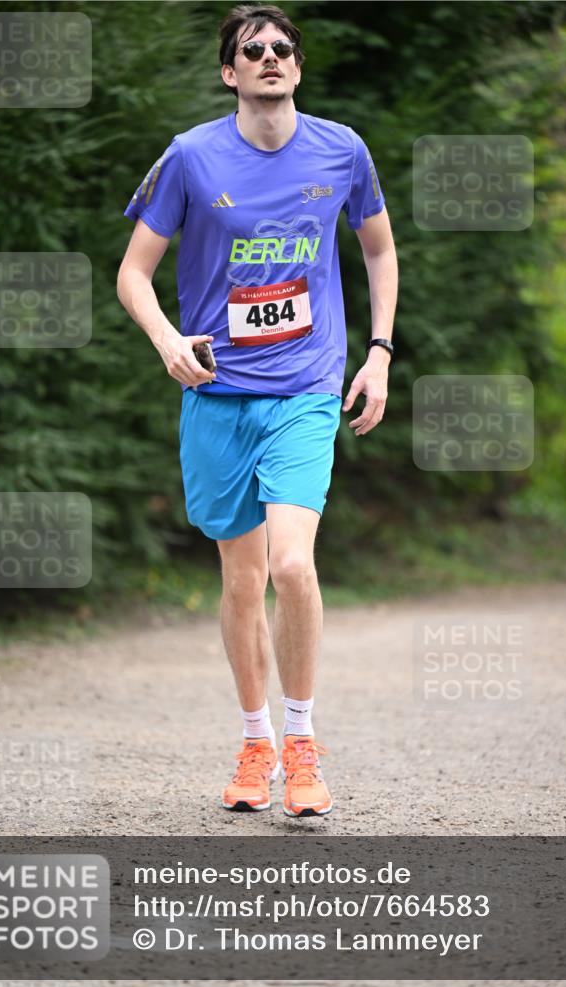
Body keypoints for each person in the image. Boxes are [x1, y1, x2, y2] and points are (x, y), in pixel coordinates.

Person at [117, 3, 398, 817]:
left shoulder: (341, 150)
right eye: (253, 49)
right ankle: (253, 740)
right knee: (241, 582)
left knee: (290, 566)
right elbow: (133, 272)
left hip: (305, 390)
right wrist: (166, 338)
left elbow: (377, 248)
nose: (270, 57)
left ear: (297, 68)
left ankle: (303, 740)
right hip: (214, 393)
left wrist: (377, 354)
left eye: (283, 48)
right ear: (230, 71)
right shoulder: (190, 157)